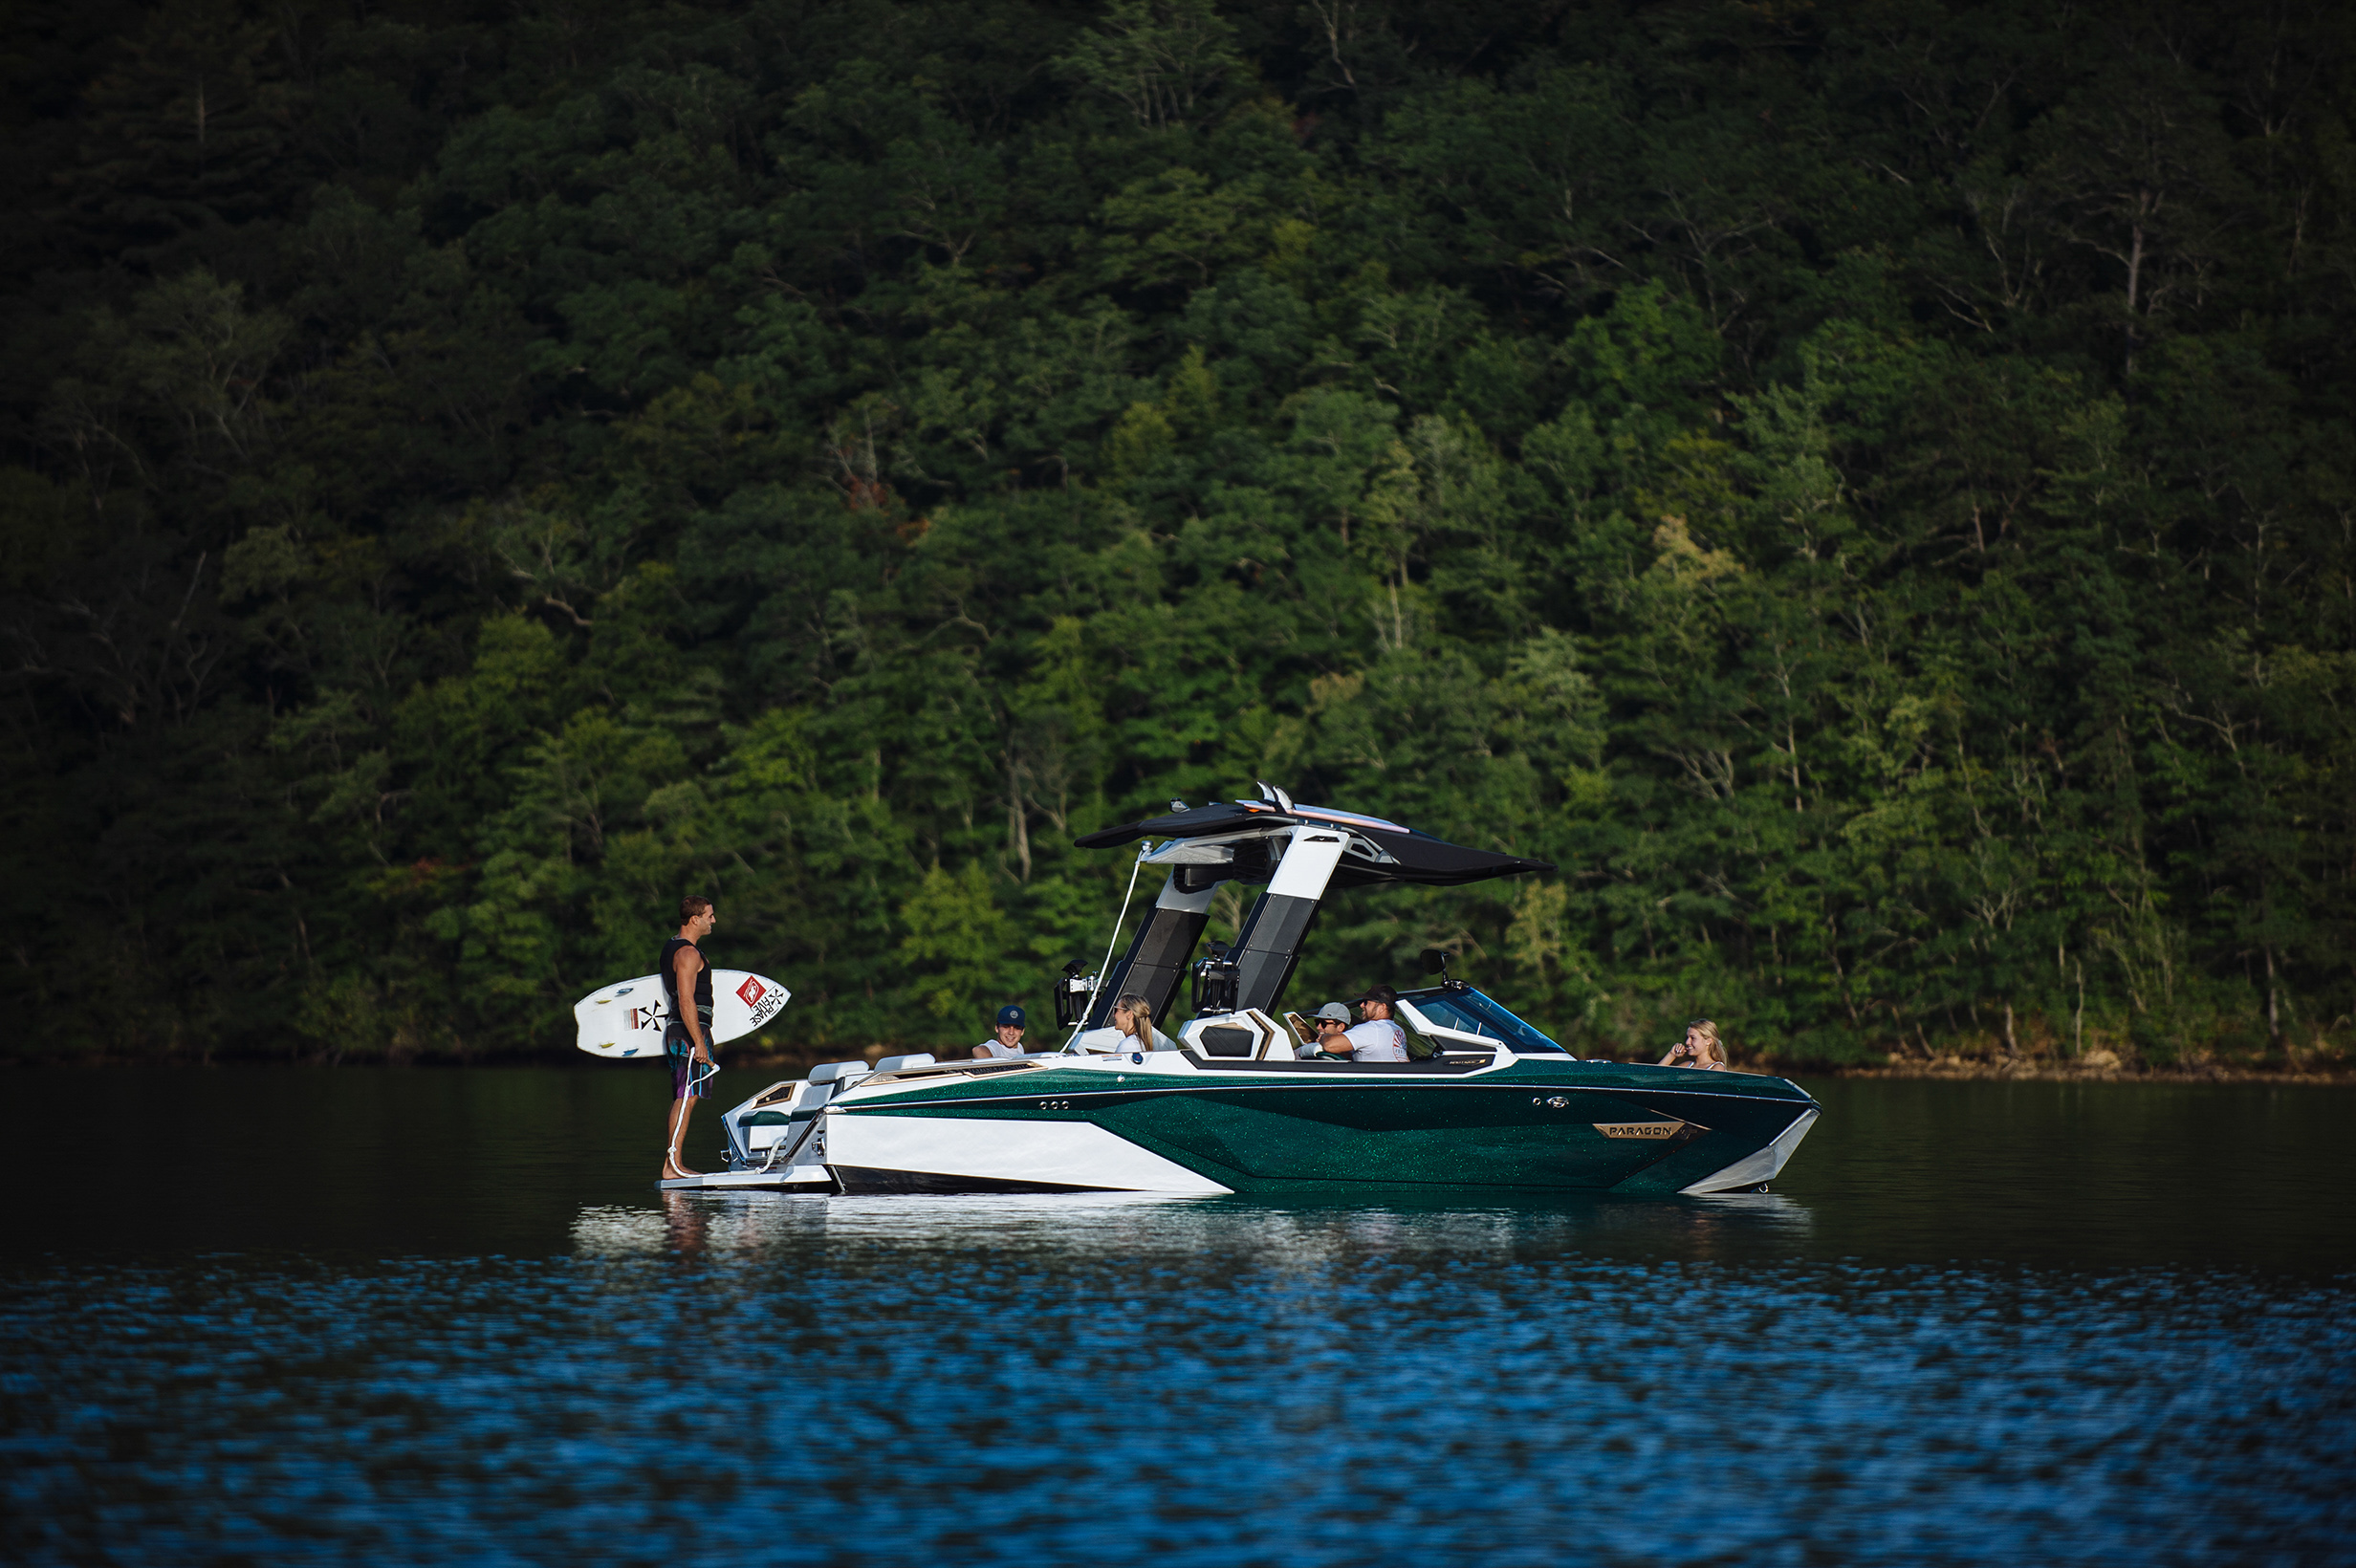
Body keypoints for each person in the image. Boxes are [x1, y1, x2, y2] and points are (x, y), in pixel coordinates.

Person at [659, 895, 720, 1180]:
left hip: (685, 1032)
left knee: (687, 1097)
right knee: (686, 1097)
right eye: (709, 915)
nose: (713, 920)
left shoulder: (675, 948)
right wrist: (698, 1041)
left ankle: (674, 1164)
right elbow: (685, 1000)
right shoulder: (688, 954)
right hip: (687, 1034)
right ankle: (672, 1166)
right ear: (694, 919)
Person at [1073, 992, 1176, 1054]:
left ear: (1129, 1014)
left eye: (1116, 1010)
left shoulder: (1128, 1046)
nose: (1114, 1016)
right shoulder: (1148, 1043)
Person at [1343, 985, 1410, 1062]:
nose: (1361, 1005)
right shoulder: (1398, 1030)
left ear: (1382, 1007)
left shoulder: (1372, 1028)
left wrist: (1326, 1035)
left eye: (1366, 1002)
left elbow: (1329, 1045)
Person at [1658, 1018, 1729, 1070]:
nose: (1687, 1042)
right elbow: (1656, 1077)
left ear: (1708, 1041)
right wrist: (1671, 1054)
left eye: (1693, 1038)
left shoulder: (1717, 1067)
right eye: (1687, 1037)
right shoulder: (1687, 1065)